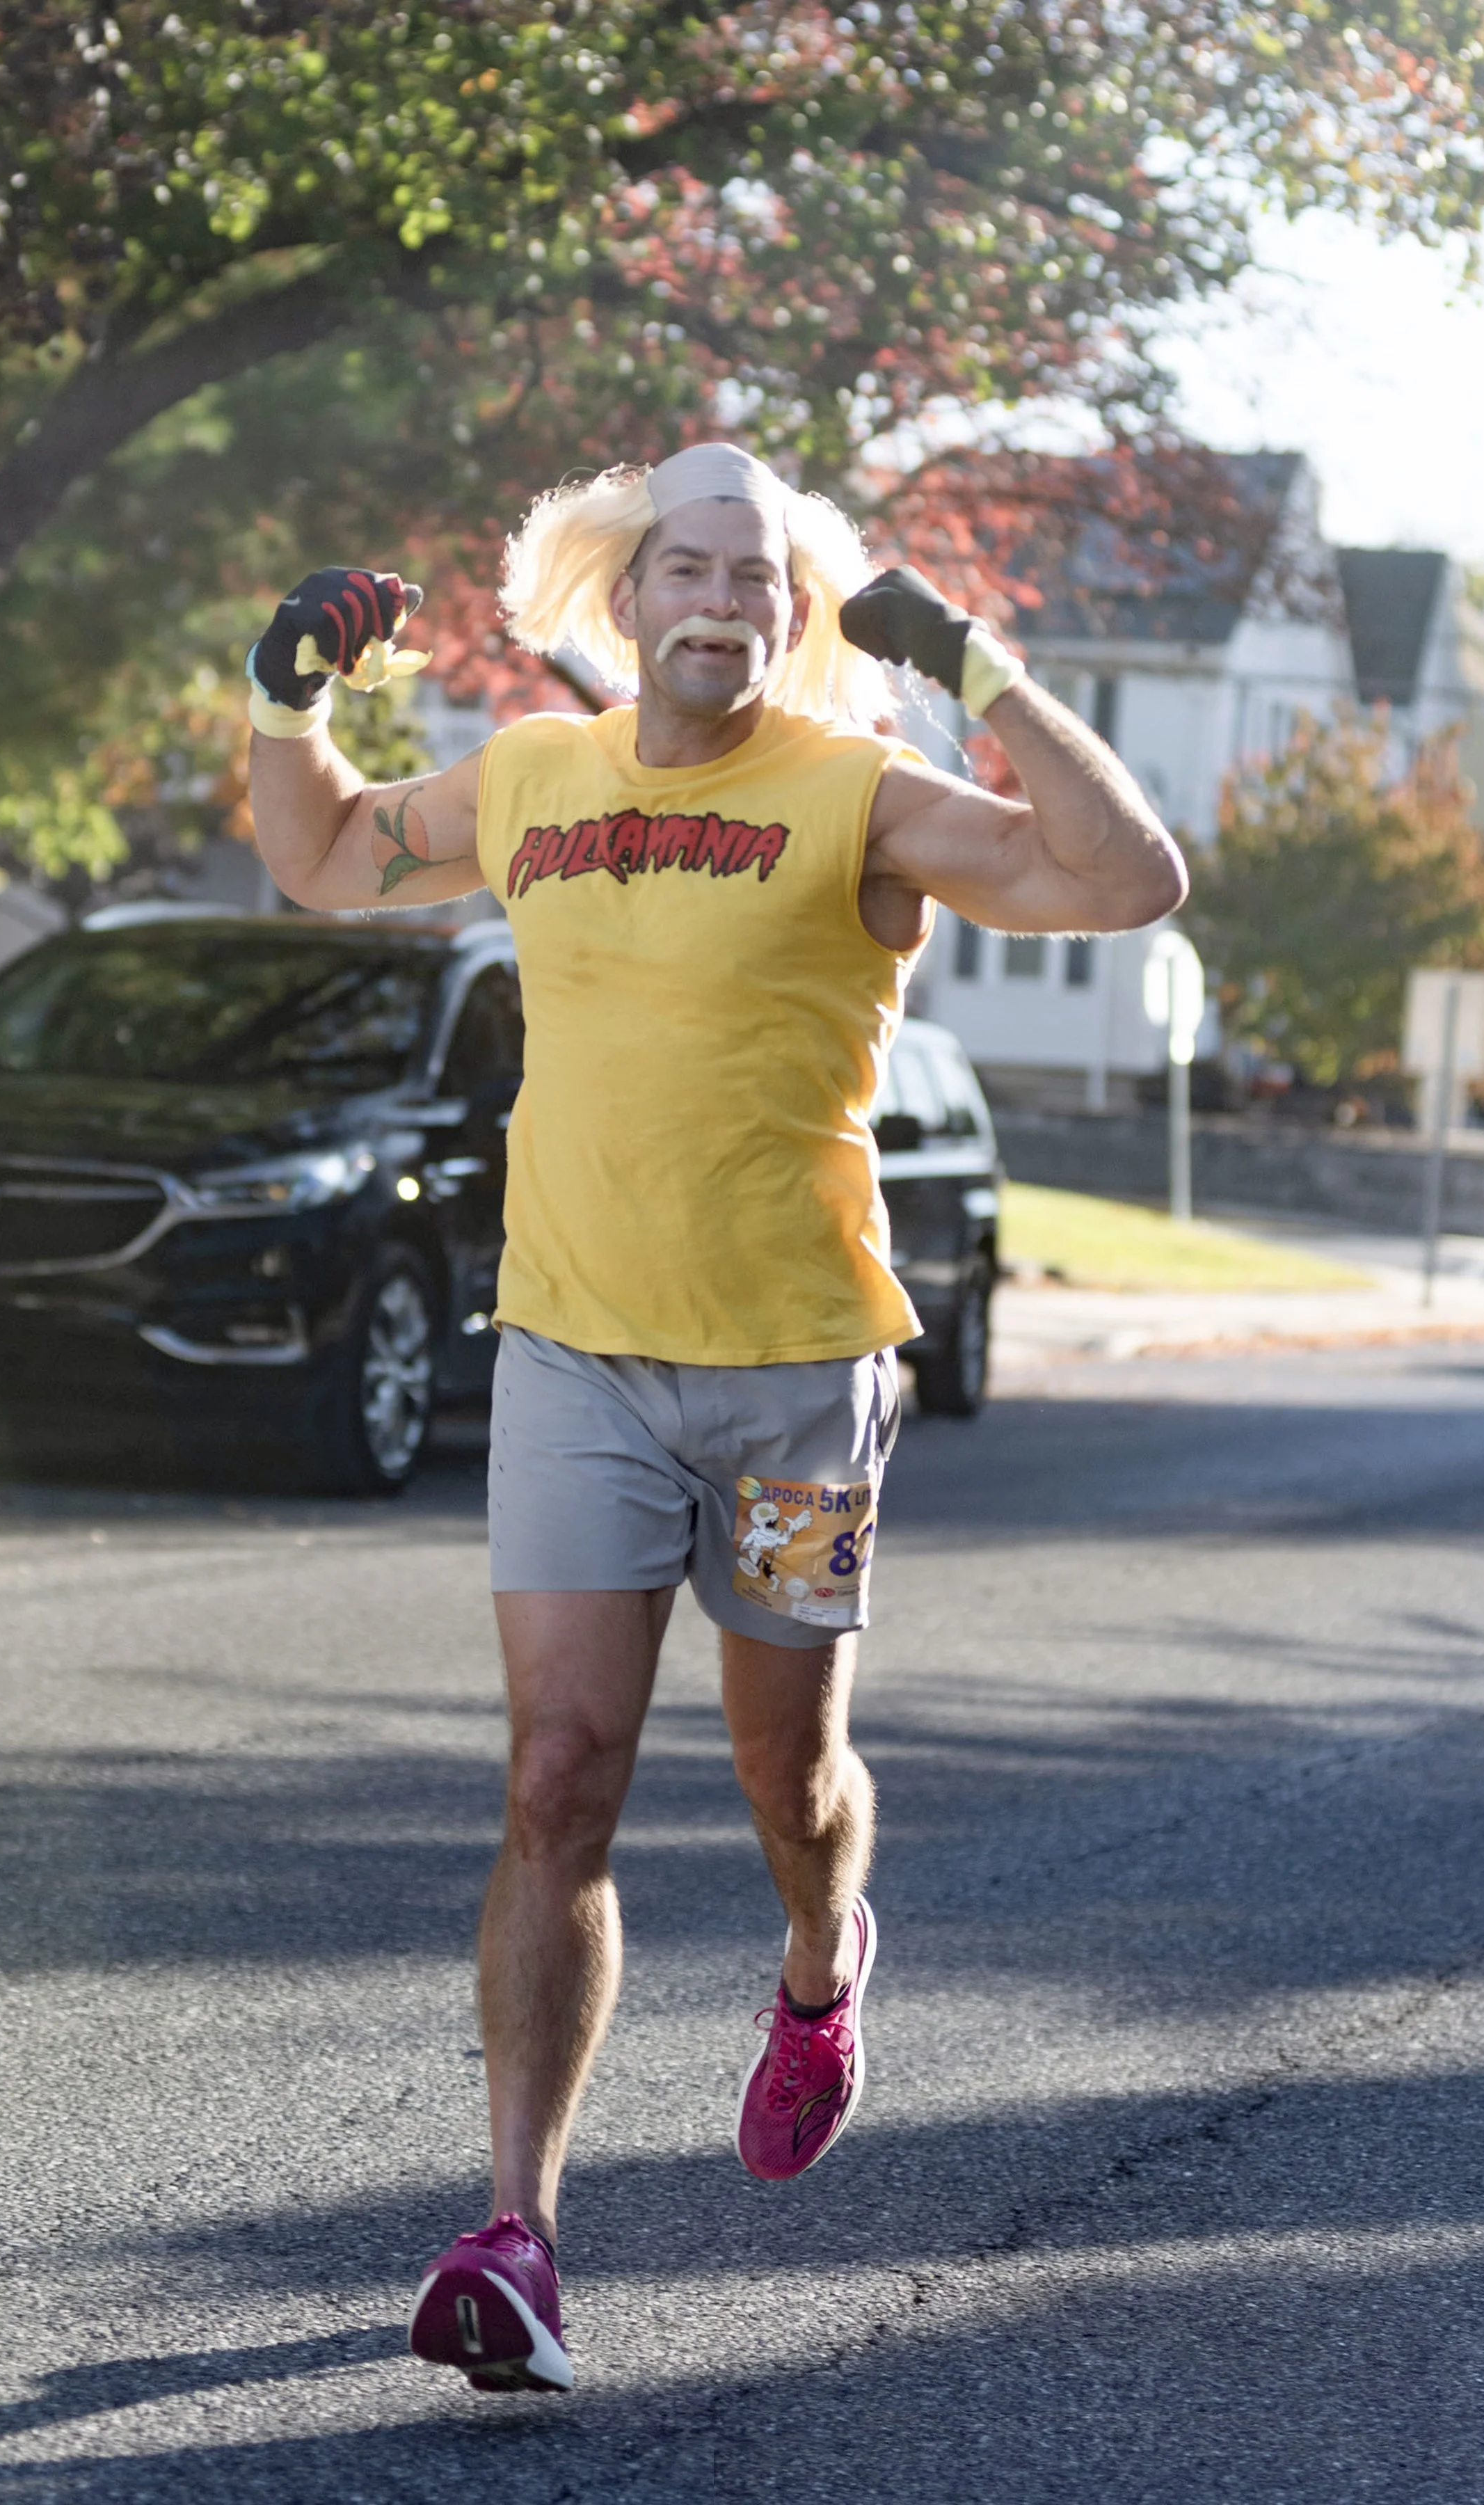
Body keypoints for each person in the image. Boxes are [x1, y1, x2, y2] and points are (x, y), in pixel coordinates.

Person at [246, 443, 1186, 2395]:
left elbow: (1123, 877)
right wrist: (286, 699)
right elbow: (324, 857)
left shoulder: (860, 795)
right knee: (558, 1773)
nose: (720, 598)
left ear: (793, 610)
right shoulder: (531, 777)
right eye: (687, 561)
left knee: (792, 1781)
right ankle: (518, 2235)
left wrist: (983, 667)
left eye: (757, 576)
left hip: (794, 1386)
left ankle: (825, 1961)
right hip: (573, 1356)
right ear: (627, 589)